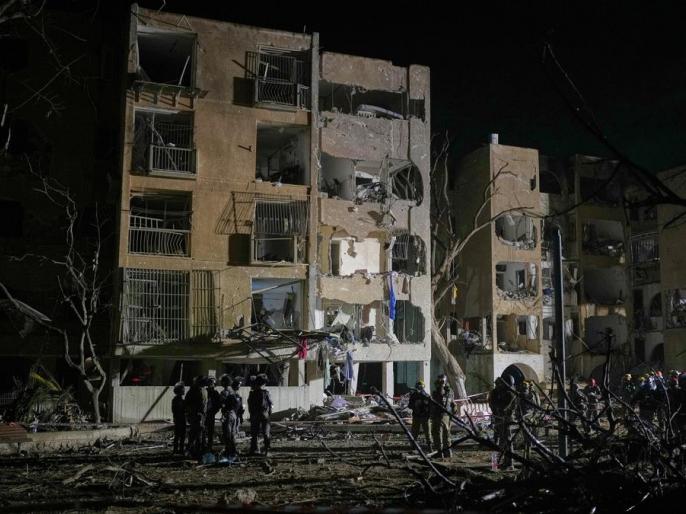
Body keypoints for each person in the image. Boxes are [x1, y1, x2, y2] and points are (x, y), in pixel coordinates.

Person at [488, 376, 517, 467]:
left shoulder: (510, 394)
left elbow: (504, 407)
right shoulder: (497, 392)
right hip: (498, 419)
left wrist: (496, 401)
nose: (499, 386)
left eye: (500, 384)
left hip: (506, 420)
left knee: (507, 441)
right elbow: (492, 405)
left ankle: (509, 463)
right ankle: (501, 462)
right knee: (498, 440)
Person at [430, 374, 455, 458]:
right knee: (445, 435)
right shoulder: (450, 392)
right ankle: (447, 452)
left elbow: (438, 401)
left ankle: (441, 453)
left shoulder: (440, 392)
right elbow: (453, 405)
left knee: (439, 435)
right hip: (445, 416)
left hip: (440, 416)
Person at [247, 373, 273, 456]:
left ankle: (255, 450)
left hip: (256, 415)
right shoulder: (266, 393)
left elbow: (250, 405)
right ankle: (266, 450)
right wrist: (269, 414)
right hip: (264, 414)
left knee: (255, 433)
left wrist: (251, 415)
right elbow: (271, 405)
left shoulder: (253, 393)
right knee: (265, 433)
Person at [220, 375, 244, 457]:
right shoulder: (235, 393)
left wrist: (223, 414)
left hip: (228, 414)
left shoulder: (225, 393)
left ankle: (229, 451)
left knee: (227, 434)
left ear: (224, 382)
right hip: (235, 414)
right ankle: (233, 450)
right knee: (233, 433)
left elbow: (223, 405)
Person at [185, 375, 208, 458]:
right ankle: (192, 451)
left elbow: (204, 404)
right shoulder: (193, 391)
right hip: (196, 416)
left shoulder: (203, 390)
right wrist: (190, 414)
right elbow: (187, 404)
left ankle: (197, 451)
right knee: (195, 435)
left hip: (201, 416)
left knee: (199, 434)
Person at [408, 380, 432, 450]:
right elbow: (409, 405)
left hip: (425, 416)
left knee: (427, 432)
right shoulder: (414, 396)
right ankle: (413, 446)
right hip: (416, 416)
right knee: (414, 432)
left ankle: (429, 445)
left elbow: (430, 406)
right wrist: (415, 404)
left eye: (420, 387)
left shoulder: (426, 395)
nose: (419, 388)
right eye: (418, 387)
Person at [205, 377, 221, 451]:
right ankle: (203, 445)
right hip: (204, 414)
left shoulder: (215, 393)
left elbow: (218, 405)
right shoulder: (205, 391)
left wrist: (213, 412)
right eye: (209, 383)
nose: (210, 385)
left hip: (211, 414)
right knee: (203, 430)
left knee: (210, 431)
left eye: (212, 383)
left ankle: (209, 445)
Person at [171, 382, 186, 455]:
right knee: (181, 435)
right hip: (180, 419)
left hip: (178, 419)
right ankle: (180, 449)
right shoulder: (180, 401)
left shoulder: (175, 400)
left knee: (178, 435)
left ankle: (176, 449)